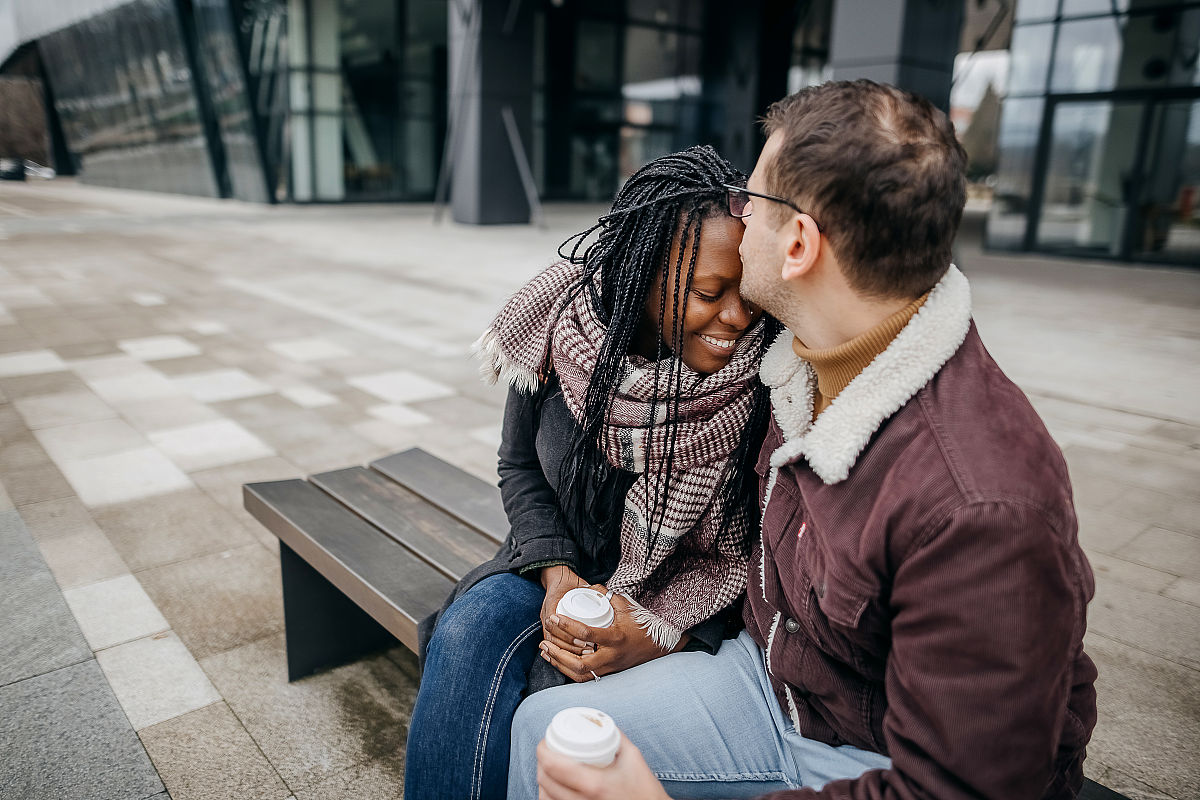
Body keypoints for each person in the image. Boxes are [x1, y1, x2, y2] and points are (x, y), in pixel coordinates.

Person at [509, 80, 1098, 800]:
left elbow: (963, 789)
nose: (736, 213)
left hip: (864, 752)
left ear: (798, 244)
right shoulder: (802, 358)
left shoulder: (983, 502)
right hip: (770, 685)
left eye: (750, 201)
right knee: (546, 728)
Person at [403, 145, 780, 800]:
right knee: (467, 632)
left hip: (669, 596)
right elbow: (518, 465)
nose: (738, 319)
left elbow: (750, 552)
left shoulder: (761, 381)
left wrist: (664, 634)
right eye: (708, 293)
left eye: (744, 293)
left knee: (555, 700)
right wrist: (555, 575)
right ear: (646, 273)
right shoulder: (558, 327)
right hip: (550, 565)